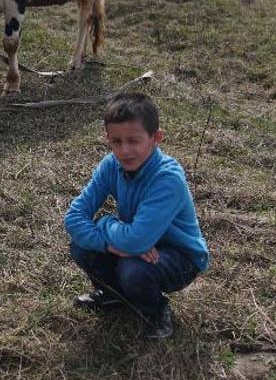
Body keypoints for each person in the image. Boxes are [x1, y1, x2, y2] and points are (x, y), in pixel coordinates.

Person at [64, 92, 209, 340]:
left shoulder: (168, 178)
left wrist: (105, 222)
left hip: (180, 256)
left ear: (156, 138)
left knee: (133, 270)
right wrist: (114, 244)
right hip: (136, 241)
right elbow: (73, 217)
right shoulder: (111, 165)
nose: (124, 150)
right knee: (81, 247)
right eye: (116, 142)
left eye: (133, 140)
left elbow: (135, 242)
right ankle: (114, 295)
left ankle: (156, 311)